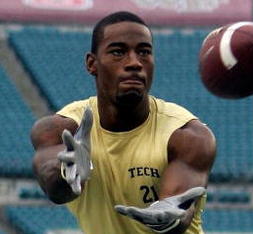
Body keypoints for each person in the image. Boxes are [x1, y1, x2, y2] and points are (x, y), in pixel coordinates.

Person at [31, 11, 216, 234]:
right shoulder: (60, 130)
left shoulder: (187, 134)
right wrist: (67, 173)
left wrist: (170, 215)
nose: (134, 63)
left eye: (144, 52)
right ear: (92, 64)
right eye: (118, 52)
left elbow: (180, 210)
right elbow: (54, 187)